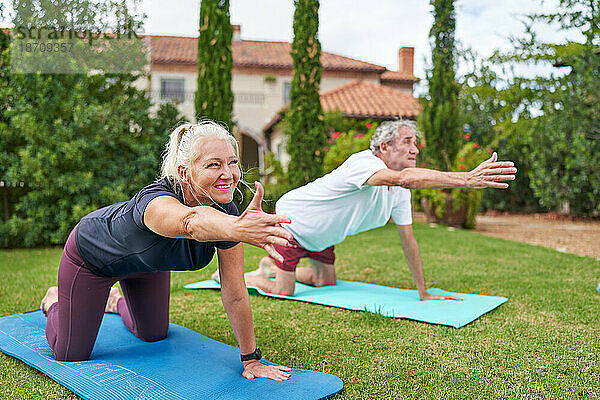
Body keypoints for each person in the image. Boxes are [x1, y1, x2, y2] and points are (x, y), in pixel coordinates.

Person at [40, 121, 293, 381]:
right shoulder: (156, 201)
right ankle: (54, 301)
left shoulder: (227, 215)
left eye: (232, 162)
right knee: (70, 353)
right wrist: (236, 228)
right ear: (184, 172)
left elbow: (235, 292)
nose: (228, 173)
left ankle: (114, 301)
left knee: (153, 334)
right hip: (93, 258)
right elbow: (190, 222)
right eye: (214, 164)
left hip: (147, 266)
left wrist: (250, 359)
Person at [231, 120, 517, 299]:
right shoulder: (364, 163)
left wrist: (423, 292)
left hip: (321, 236)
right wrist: (467, 178)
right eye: (407, 142)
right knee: (285, 291)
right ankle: (254, 278)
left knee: (324, 282)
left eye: (416, 144)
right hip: (294, 223)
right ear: (384, 146)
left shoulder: (399, 192)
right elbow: (404, 178)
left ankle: (271, 266)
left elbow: (409, 240)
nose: (415, 149)